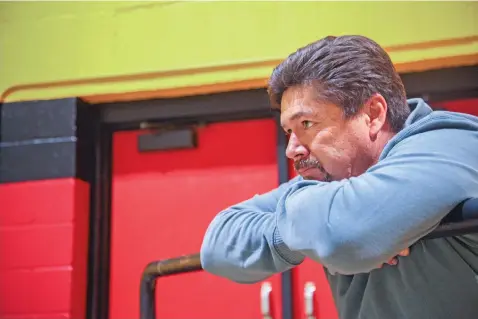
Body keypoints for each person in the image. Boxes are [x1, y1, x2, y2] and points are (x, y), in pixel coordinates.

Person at [200, 35, 478, 319]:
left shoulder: (452, 145)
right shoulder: (329, 183)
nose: (292, 150)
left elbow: (342, 234)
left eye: (307, 124)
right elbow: (218, 244)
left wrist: (331, 228)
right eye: (288, 131)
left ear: (373, 114)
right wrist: (313, 229)